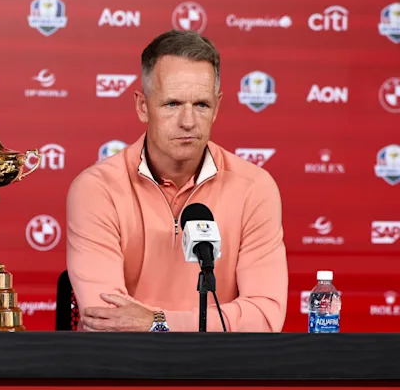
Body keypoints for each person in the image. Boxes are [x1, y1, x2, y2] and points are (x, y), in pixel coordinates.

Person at [66, 30, 287, 332]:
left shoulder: (254, 188)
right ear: (142, 106)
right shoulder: (97, 189)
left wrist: (157, 323)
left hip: (218, 363)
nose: (188, 122)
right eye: (172, 104)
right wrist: (206, 325)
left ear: (217, 107)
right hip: (127, 362)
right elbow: (107, 319)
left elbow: (264, 317)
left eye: (201, 105)